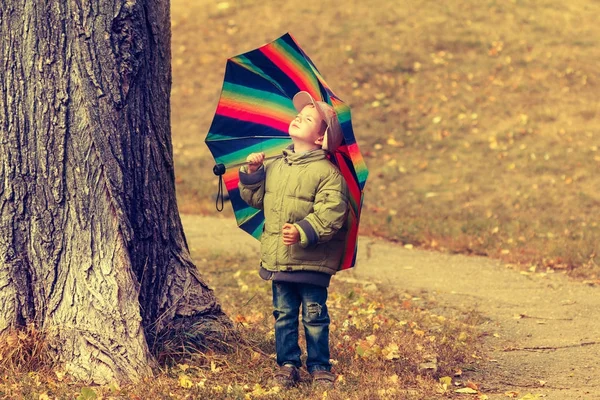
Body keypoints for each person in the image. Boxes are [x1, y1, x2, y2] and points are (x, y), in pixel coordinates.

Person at [238, 91, 348, 389]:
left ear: (320, 138)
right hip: (279, 260)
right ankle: (287, 363)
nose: (299, 117)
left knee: (314, 316)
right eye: (299, 114)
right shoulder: (277, 165)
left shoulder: (328, 174)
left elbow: (332, 212)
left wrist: (302, 230)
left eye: (308, 118)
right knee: (283, 315)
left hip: (311, 261)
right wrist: (253, 173)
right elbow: (257, 199)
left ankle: (319, 365)